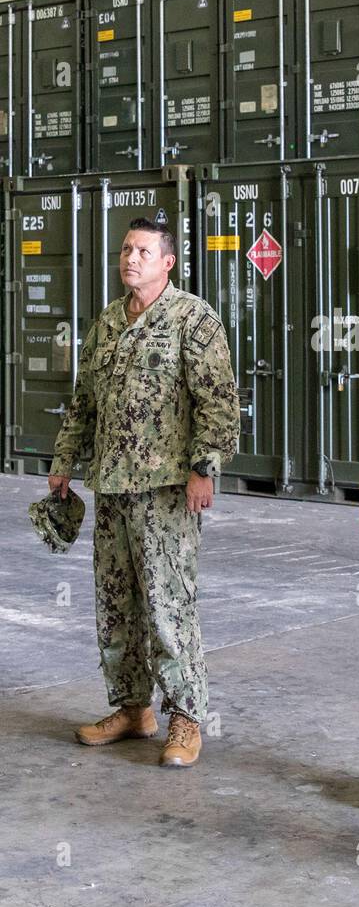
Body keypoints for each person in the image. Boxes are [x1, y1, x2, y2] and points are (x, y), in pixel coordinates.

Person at [48, 216, 239, 768]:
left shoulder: (192, 319)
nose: (130, 258)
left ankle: (186, 716)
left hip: (165, 491)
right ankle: (133, 708)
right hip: (111, 485)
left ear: (167, 262)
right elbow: (83, 403)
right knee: (115, 603)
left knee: (167, 603)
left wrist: (205, 469)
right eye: (126, 249)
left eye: (143, 251)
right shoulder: (107, 324)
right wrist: (64, 462)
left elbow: (219, 402)